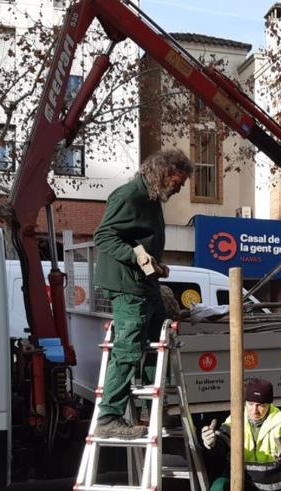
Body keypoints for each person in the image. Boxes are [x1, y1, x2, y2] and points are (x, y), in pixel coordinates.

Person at [92, 148, 194, 439]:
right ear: (163, 173)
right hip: (128, 287)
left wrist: (154, 264)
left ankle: (153, 410)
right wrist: (139, 258)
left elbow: (135, 240)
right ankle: (109, 416)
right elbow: (104, 236)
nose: (179, 188)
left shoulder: (151, 199)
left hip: (144, 284)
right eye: (178, 181)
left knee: (157, 338)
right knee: (128, 348)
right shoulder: (129, 195)